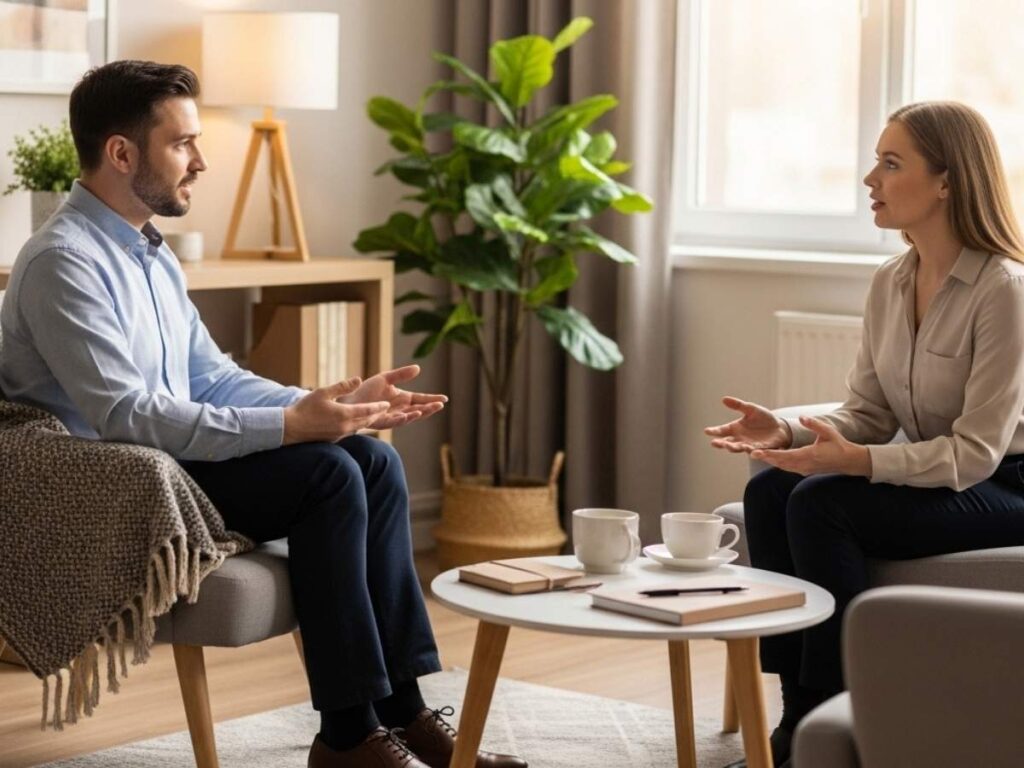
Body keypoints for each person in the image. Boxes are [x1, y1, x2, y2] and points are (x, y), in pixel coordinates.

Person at [0, 60, 526, 768]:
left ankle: (402, 710)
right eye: (182, 143)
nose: (202, 161)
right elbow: (125, 414)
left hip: (165, 458)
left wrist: (330, 405)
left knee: (370, 459)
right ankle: (347, 737)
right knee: (328, 478)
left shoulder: (151, 255)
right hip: (110, 482)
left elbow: (208, 377)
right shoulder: (63, 262)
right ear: (121, 154)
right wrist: (292, 428)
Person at [704, 101, 1024, 768]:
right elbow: (869, 412)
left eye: (890, 162)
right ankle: (797, 717)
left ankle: (840, 707)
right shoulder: (891, 281)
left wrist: (859, 462)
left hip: (1007, 484)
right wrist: (786, 431)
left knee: (822, 503)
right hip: (948, 475)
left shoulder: (1004, 291)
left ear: (946, 181)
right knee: (769, 491)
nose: (869, 178)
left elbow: (974, 453)